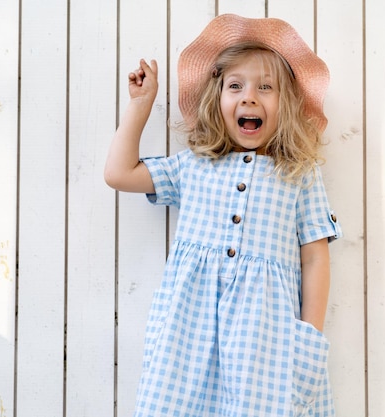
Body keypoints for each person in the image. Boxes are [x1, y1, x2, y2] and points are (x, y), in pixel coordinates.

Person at [104, 14, 342, 417]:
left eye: (266, 87)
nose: (249, 97)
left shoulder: (298, 173)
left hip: (264, 335)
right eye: (236, 86)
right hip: (186, 331)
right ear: (217, 100)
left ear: (287, 105)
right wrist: (140, 105)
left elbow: (315, 255)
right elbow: (119, 173)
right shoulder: (194, 166)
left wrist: (309, 338)